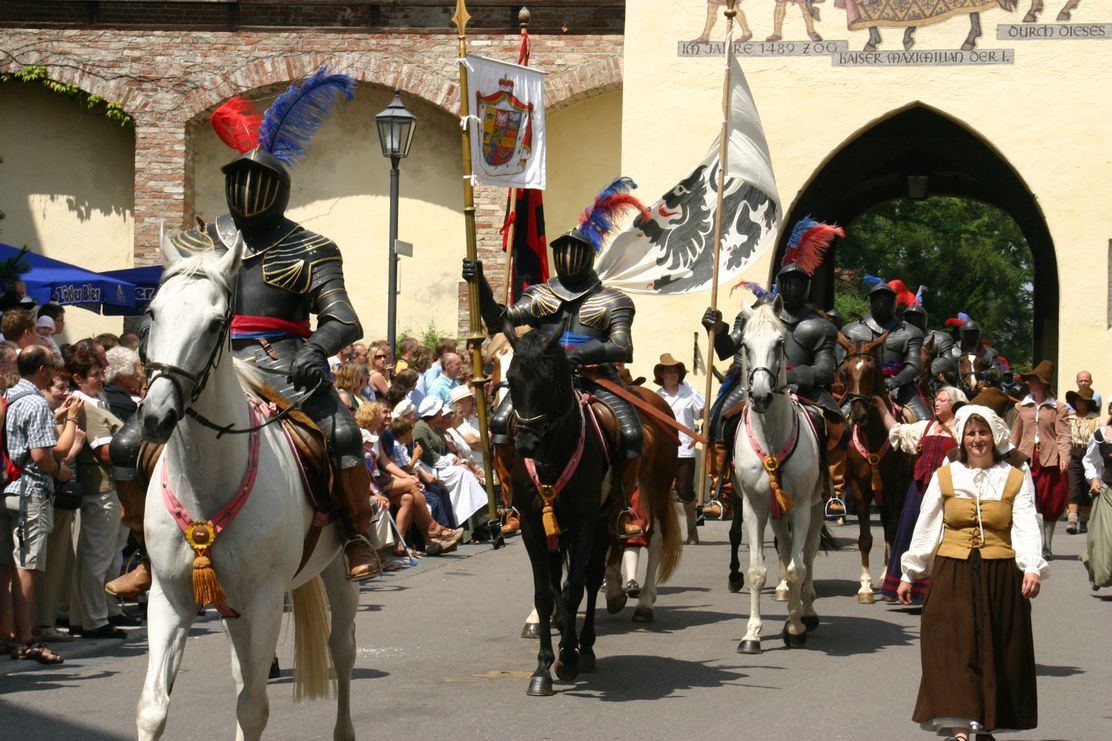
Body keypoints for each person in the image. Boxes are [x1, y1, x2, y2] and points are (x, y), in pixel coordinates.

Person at [107, 70, 378, 593]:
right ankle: (145, 549)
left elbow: (343, 319)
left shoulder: (311, 247)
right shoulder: (196, 241)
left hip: (284, 365)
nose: (247, 190)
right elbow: (164, 309)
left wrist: (316, 349)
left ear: (280, 190)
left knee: (343, 435)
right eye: (239, 179)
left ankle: (356, 533)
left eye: (259, 181)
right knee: (125, 447)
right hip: (206, 363)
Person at [464, 177, 650, 537]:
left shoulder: (613, 300)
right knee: (501, 424)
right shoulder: (541, 295)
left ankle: (622, 505)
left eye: (574, 250)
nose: (567, 256)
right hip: (544, 380)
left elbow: (622, 346)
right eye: (562, 250)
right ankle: (512, 504)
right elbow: (501, 320)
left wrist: (582, 353)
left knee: (630, 434)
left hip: (595, 377)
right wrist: (481, 285)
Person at [898, 405, 1046, 741]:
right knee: (950, 647)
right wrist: (910, 572)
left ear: (995, 437)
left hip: (1000, 573)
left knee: (996, 649)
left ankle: (986, 720)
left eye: (983, 433)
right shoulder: (946, 475)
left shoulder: (1014, 477)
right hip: (952, 573)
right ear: (961, 439)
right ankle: (961, 729)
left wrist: (1031, 566)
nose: (977, 440)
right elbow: (927, 524)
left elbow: (1025, 524)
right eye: (971, 433)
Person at [0, 346, 71, 664]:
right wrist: (60, 472)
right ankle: (25, 638)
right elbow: (41, 455)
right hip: (30, 491)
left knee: (4, 567)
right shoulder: (35, 402)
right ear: (42, 369)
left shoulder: (8, 396)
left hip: (6, 487)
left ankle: (5, 634)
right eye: (52, 366)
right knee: (26, 567)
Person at [877, 385, 967, 603]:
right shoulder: (926, 427)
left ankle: (930, 591)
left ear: (955, 404)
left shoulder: (963, 430)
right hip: (918, 491)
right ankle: (902, 586)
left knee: (936, 540)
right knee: (911, 535)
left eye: (943, 400)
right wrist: (881, 407)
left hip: (946, 494)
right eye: (937, 399)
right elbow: (897, 430)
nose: (937, 403)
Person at [67, 344, 133, 639]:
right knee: (98, 557)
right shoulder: (87, 408)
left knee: (97, 556)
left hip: (106, 487)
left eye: (100, 373)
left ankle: (94, 614)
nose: (101, 379)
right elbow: (105, 452)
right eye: (95, 374)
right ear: (78, 378)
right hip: (101, 488)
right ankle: (94, 619)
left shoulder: (95, 402)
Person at [843, 278, 930, 421]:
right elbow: (842, 365)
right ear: (870, 302)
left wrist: (894, 382)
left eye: (886, 300)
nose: (881, 303)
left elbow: (914, 365)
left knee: (926, 422)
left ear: (894, 302)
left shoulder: (911, 332)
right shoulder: (851, 330)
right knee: (837, 424)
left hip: (900, 387)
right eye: (877, 299)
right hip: (859, 387)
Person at [1010, 360, 1070, 558]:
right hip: (1026, 457)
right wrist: (1010, 456)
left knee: (1050, 501)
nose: (1030, 384)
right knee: (1026, 499)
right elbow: (1015, 434)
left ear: (1043, 384)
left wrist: (1064, 456)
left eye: (1034, 380)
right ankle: (1030, 545)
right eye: (1030, 380)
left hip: (1050, 458)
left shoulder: (1058, 408)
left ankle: (1047, 545)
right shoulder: (1021, 406)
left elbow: (1063, 435)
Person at [653, 353, 703, 545]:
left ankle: (692, 530)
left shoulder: (690, 391)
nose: (672, 374)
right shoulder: (657, 396)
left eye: (675, 371)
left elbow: (702, 414)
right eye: (668, 371)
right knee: (662, 490)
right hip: (664, 449)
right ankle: (664, 531)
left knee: (685, 490)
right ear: (662, 374)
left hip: (685, 448)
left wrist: (704, 414)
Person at [1081, 400, 1112, 590]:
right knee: (1106, 540)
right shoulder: (1101, 435)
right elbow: (1089, 460)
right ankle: (1094, 564)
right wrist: (1093, 479)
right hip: (1108, 492)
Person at [1065, 386, 1100, 535]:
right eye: (1077, 400)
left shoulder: (1094, 419)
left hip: (1089, 452)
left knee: (1086, 489)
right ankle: (1072, 520)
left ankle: (1084, 520)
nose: (1079, 403)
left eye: (1082, 400)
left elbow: (1098, 439)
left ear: (1088, 403)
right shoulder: (1070, 417)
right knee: (1073, 486)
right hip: (1073, 453)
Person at [103, 345, 143, 423]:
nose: (138, 374)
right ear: (121, 375)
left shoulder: (103, 394)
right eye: (135, 369)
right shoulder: (124, 405)